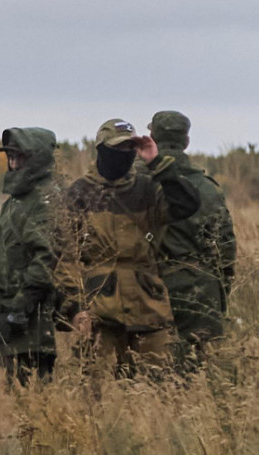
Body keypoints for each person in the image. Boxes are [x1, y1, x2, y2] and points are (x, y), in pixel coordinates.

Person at [54, 119, 207, 374]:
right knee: (97, 392)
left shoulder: (147, 188)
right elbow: (64, 258)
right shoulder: (79, 193)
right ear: (102, 150)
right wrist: (75, 308)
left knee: (156, 388)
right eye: (119, 149)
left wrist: (157, 164)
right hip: (99, 312)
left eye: (130, 149)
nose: (125, 155)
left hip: (147, 308)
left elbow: (187, 205)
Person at [146, 111, 237, 365]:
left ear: (152, 137)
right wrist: (220, 291)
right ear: (186, 141)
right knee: (198, 366)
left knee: (148, 366)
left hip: (147, 285)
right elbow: (225, 246)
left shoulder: (138, 181)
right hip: (199, 285)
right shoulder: (208, 187)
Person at [0, 128, 63, 379]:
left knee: (32, 402)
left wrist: (20, 307)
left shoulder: (44, 201)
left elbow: (47, 257)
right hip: (11, 313)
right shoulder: (15, 202)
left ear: (36, 159)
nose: (14, 164)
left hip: (32, 323)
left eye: (20, 158)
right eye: (11, 157)